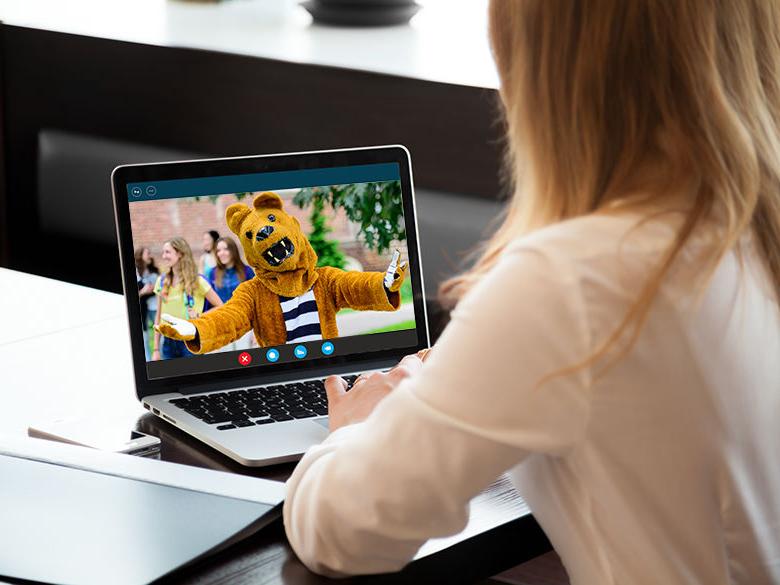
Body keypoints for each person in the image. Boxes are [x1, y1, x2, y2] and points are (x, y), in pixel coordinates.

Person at [283, 1, 780, 583]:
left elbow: (345, 531)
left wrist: (357, 433)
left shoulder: (573, 280)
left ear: (545, 69)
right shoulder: (744, 230)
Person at [152, 237, 223, 361]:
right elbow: (158, 316)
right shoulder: (161, 281)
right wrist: (156, 349)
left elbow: (220, 306)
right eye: (163, 252)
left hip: (191, 340)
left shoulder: (197, 281)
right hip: (168, 342)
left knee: (195, 379)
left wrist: (200, 315)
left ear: (179, 253)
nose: (163, 256)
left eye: (167, 252)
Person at [206, 236, 255, 351]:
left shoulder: (246, 271)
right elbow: (209, 302)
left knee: (246, 359)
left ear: (233, 250)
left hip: (244, 324)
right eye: (218, 250)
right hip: (222, 326)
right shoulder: (213, 273)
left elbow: (255, 301)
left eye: (225, 249)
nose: (221, 253)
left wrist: (256, 330)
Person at [135, 247, 159, 359]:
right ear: (141, 256)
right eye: (147, 253)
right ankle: (149, 361)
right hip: (143, 309)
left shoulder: (153, 271)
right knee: (145, 337)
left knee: (159, 333)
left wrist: (153, 288)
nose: (150, 255)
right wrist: (144, 291)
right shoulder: (137, 272)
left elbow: (159, 287)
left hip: (154, 306)